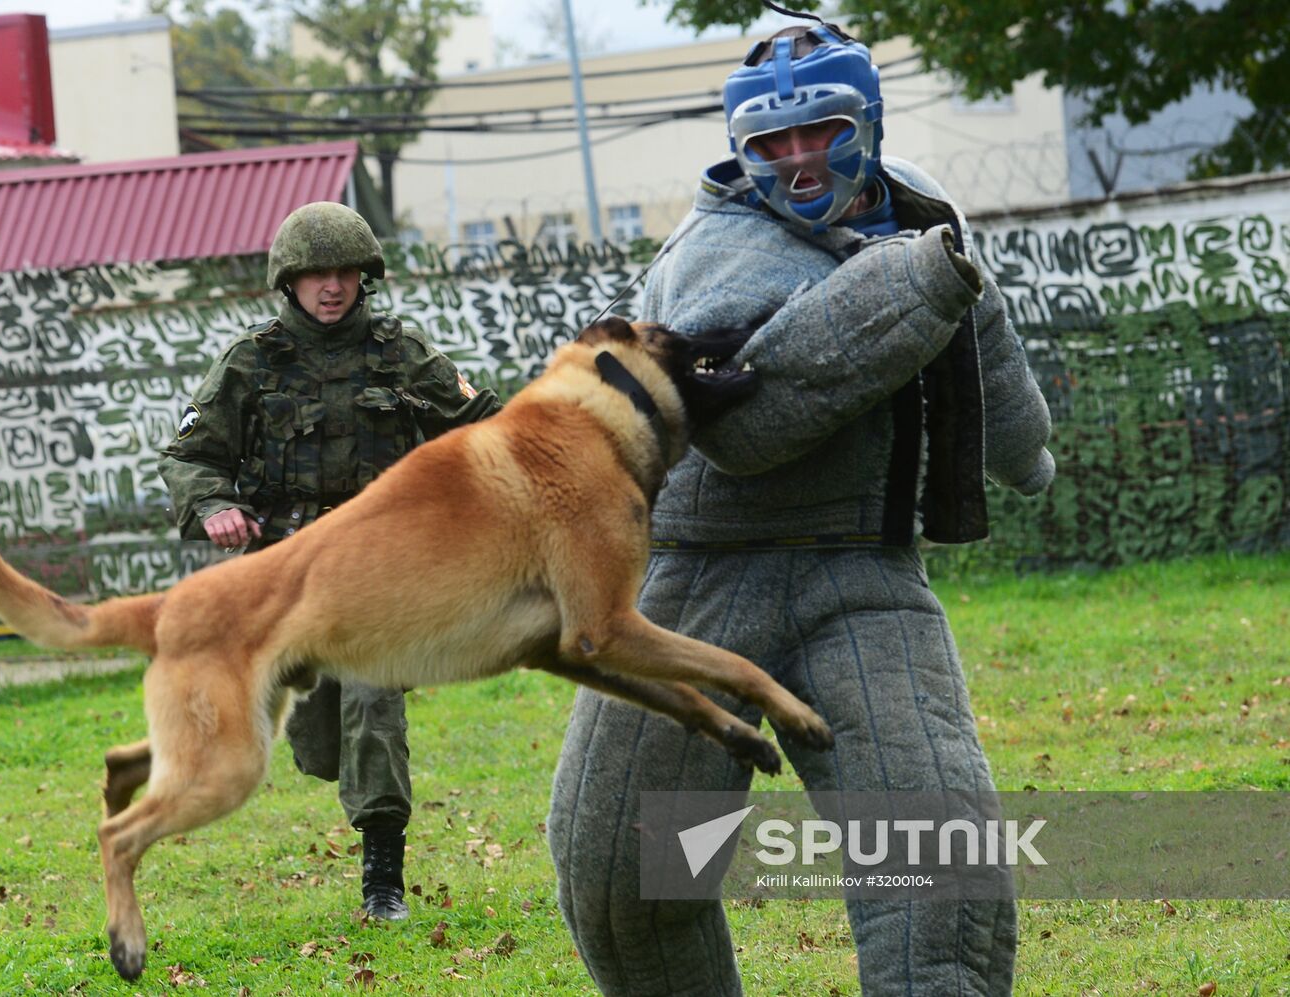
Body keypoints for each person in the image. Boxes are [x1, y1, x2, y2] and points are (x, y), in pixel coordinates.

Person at [546, 23, 1054, 996]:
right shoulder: (715, 255)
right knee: (629, 873)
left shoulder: (917, 214)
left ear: (860, 121)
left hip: (862, 569)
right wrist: (902, 290)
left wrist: (1020, 452)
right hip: (698, 576)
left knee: (934, 860)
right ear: (740, 144)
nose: (795, 159)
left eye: (816, 130)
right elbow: (744, 429)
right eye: (769, 142)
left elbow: (977, 335)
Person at [157, 201, 501, 921]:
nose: (332, 286)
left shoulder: (400, 351)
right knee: (318, 740)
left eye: (345, 271)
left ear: (364, 276)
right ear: (291, 282)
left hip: (382, 560)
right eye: (317, 274)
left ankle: (383, 875)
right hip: (292, 566)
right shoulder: (251, 361)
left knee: (375, 700)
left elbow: (481, 428)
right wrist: (214, 504)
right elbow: (191, 455)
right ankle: (349, 777)